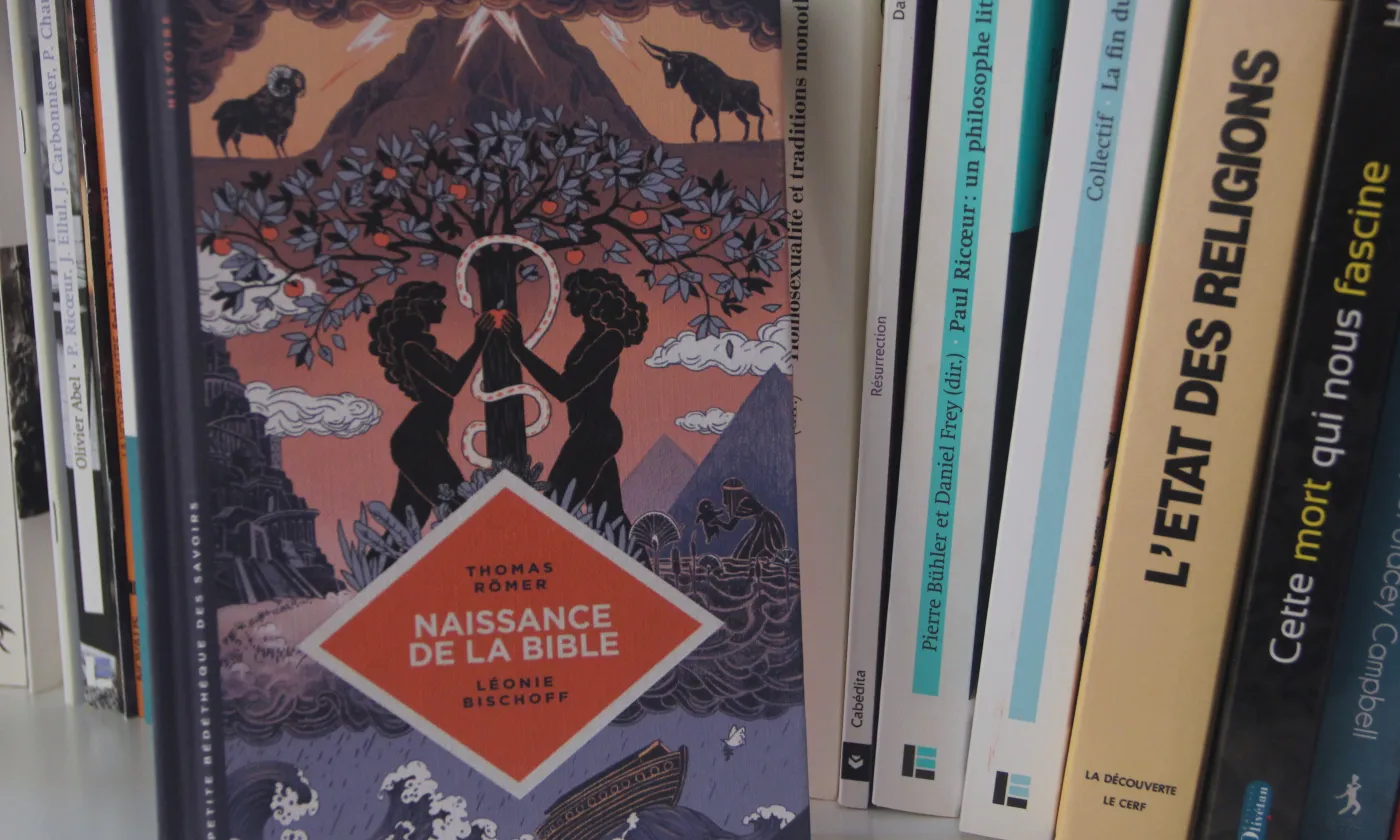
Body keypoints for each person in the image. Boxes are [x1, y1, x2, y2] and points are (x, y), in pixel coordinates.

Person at [498, 268, 648, 529]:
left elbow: (564, 388)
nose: (569, 299)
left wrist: (520, 350)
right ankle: (636, 556)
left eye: (576, 293)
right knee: (609, 516)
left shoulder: (611, 338)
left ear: (595, 298)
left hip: (595, 432)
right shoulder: (592, 336)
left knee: (556, 505)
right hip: (591, 431)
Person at [368, 281, 493, 529]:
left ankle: (383, 558)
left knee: (406, 525)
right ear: (416, 309)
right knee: (461, 505)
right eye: (435, 302)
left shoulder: (427, 349)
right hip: (418, 440)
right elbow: (452, 384)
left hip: (426, 438)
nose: (443, 307)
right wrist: (479, 341)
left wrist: (485, 342)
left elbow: (458, 372)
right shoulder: (412, 349)